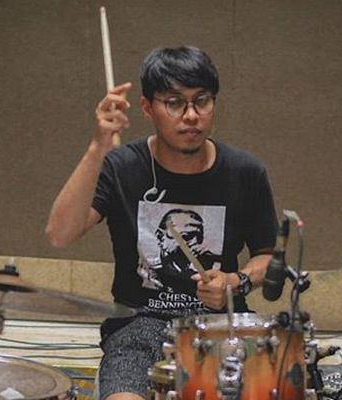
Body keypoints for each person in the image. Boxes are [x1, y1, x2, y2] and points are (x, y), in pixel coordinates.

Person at [45, 45, 277, 400]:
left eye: (202, 101)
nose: (191, 115)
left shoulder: (245, 171)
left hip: (221, 326)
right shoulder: (122, 166)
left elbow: (268, 255)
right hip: (138, 325)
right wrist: (97, 146)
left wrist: (237, 281)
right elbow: (60, 234)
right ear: (146, 108)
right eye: (174, 103)